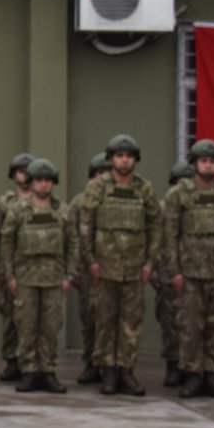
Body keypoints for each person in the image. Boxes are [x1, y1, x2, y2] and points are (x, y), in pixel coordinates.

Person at [79, 134, 161, 396]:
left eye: (129, 156)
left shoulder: (144, 189)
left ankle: (127, 371)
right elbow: (86, 226)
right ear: (111, 159)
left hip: (135, 268)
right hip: (105, 267)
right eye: (119, 156)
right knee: (105, 320)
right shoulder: (98, 187)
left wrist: (150, 262)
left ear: (134, 159)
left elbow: (155, 226)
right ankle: (108, 373)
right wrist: (90, 260)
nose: (124, 161)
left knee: (131, 322)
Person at [164, 139, 214, 399]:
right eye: (203, 161)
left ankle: (213, 376)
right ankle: (192, 376)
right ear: (195, 164)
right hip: (190, 273)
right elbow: (170, 236)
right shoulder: (179, 195)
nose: (208, 165)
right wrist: (174, 271)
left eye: (212, 161)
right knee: (189, 327)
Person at [0, 158, 73, 393]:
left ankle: (48, 371)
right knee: (27, 327)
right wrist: (10, 275)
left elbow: (72, 245)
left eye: (47, 180)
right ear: (30, 182)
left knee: (50, 327)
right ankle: (29, 371)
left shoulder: (62, 211)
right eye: (39, 180)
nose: (43, 185)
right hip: (26, 278)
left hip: (53, 279)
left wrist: (68, 275)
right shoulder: (18, 210)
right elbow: (7, 243)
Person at [0, 152, 33, 382]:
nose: (25, 176)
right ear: (14, 175)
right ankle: (11, 361)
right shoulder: (4, 203)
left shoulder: (42, 201)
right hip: (9, 271)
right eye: (21, 171)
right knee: (10, 319)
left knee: (32, 321)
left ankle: (31, 363)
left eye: (29, 171)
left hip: (33, 271)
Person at [70, 152, 112, 384]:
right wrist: (75, 269)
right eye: (98, 173)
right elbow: (73, 237)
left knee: (111, 320)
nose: (102, 177)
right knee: (89, 319)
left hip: (113, 269)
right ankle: (91, 363)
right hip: (88, 272)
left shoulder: (119, 200)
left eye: (106, 173)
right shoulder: (80, 202)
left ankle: (110, 364)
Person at [154, 160, 195, 387]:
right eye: (179, 182)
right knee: (170, 322)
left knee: (193, 324)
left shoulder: (197, 208)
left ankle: (191, 366)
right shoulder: (161, 208)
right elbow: (155, 242)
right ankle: (172, 365)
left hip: (194, 274)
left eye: (187, 182)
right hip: (168, 275)